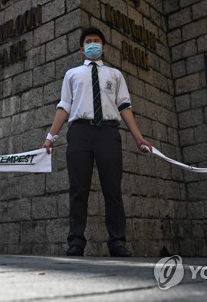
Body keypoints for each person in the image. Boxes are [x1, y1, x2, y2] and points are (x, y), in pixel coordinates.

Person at [43, 27, 152, 257]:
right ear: (82, 49)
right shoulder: (72, 74)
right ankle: (76, 242)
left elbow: (124, 107)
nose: (93, 44)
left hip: (108, 133)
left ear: (104, 47)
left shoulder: (115, 75)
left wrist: (139, 138)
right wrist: (50, 137)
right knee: (78, 190)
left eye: (97, 41)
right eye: (89, 41)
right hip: (80, 132)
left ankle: (117, 242)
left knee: (112, 189)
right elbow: (64, 106)